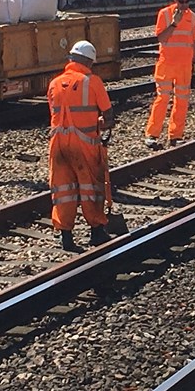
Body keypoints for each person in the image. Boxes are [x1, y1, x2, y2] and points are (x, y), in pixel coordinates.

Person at [47, 40, 114, 252]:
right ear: (89, 62)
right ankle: (96, 232)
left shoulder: (54, 83)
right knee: (91, 187)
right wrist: (102, 124)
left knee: (63, 189)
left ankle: (65, 235)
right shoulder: (92, 82)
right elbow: (108, 116)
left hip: (57, 143)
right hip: (84, 144)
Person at [145, 0, 195, 149]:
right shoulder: (165, 14)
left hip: (184, 66)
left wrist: (193, 62)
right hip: (166, 64)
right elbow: (161, 38)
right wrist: (174, 23)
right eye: (181, 2)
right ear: (174, 0)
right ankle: (152, 134)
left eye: (187, 1)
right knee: (162, 99)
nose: (184, 5)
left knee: (182, 101)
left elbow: (193, 41)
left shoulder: (193, 17)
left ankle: (175, 135)